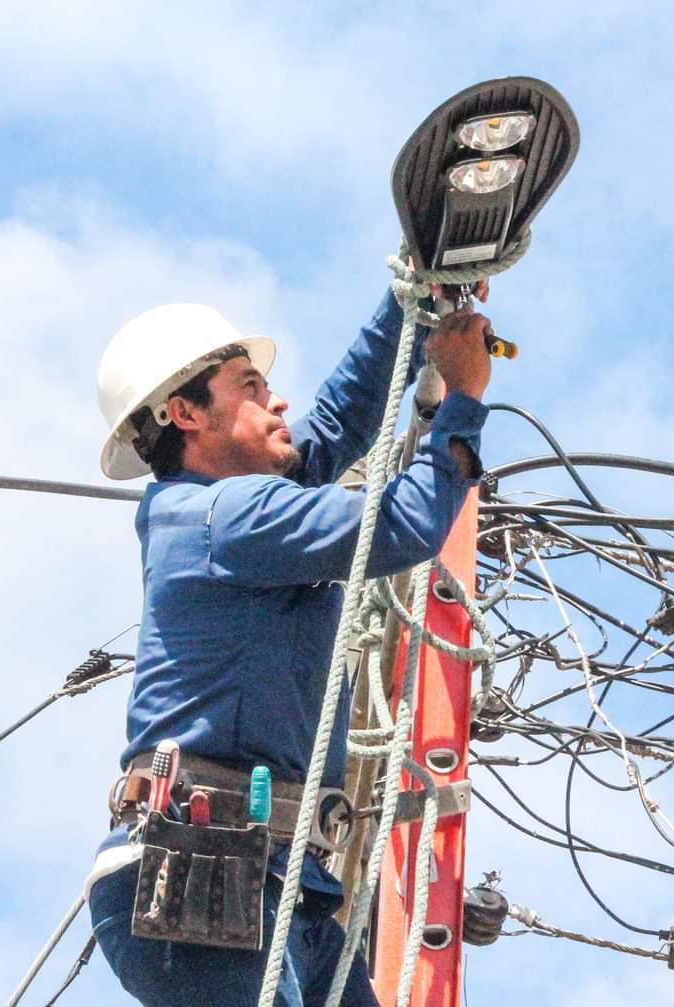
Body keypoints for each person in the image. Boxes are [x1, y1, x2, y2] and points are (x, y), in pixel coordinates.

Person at [86, 284, 493, 1007]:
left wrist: (412, 301)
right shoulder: (225, 515)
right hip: (201, 866)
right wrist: (461, 396)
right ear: (185, 413)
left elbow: (336, 423)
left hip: (273, 877)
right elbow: (400, 525)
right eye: (251, 388)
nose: (279, 404)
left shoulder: (233, 505)